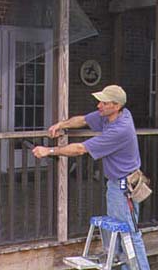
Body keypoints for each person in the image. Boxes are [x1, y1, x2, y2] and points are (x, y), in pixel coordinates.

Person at [32, 84, 150, 270]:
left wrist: (49, 151)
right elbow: (83, 120)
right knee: (119, 235)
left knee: (130, 235)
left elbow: (80, 149)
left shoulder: (119, 129)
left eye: (104, 102)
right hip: (116, 185)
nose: (98, 106)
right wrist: (61, 124)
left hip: (123, 188)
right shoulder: (116, 115)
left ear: (116, 106)